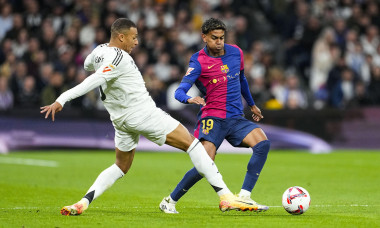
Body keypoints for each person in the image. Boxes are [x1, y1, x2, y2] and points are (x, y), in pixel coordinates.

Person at [40, 18, 259, 216]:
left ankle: (83, 202)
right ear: (121, 37)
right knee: (194, 146)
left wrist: (97, 66)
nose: (136, 42)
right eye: (134, 37)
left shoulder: (99, 51)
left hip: (120, 120)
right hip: (142, 113)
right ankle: (226, 197)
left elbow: (88, 64)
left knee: (120, 166)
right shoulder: (119, 57)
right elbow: (94, 79)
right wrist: (62, 99)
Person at [159, 18, 270, 214]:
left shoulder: (236, 52)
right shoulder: (198, 61)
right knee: (205, 164)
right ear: (204, 37)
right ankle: (169, 201)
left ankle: (244, 196)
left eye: (221, 37)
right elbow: (179, 91)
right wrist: (189, 99)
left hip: (236, 117)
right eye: (214, 38)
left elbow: (242, 79)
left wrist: (252, 104)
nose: (219, 42)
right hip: (213, 117)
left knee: (262, 143)